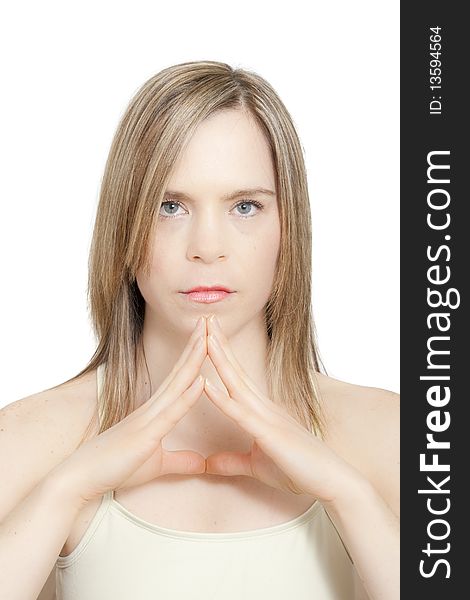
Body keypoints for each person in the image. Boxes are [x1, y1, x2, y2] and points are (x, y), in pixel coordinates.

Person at [0, 61, 399, 600]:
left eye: (245, 206)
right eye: (170, 206)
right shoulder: (26, 443)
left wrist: (349, 495)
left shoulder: (392, 437)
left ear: (289, 228)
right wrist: (65, 491)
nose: (207, 246)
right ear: (125, 223)